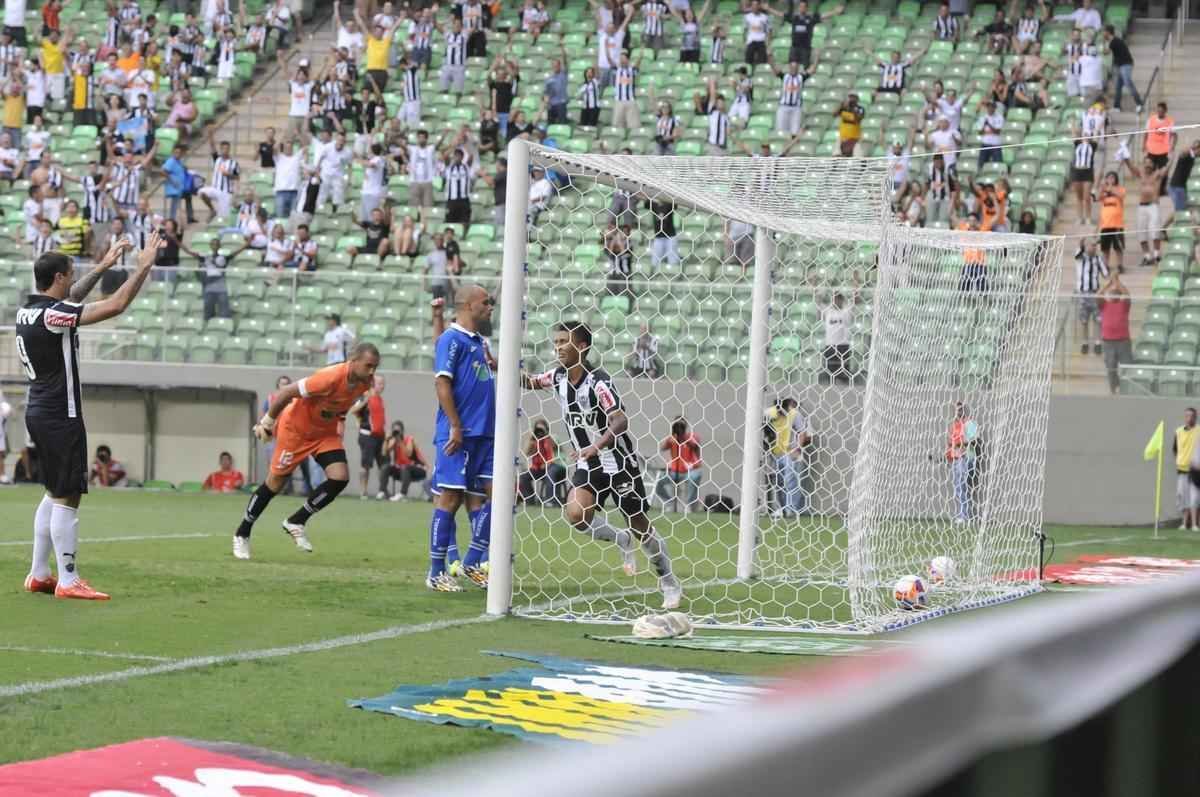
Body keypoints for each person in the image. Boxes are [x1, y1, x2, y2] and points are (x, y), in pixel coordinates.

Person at [19, 235, 158, 600]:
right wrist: (143, 266)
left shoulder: (28, 311)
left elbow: (71, 298)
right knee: (68, 496)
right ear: (61, 277)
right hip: (61, 414)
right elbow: (116, 305)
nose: (72, 279)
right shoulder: (53, 316)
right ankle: (68, 580)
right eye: (71, 274)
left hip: (37, 411)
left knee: (52, 492)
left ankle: (38, 573)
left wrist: (103, 265)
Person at [523, 321, 681, 609]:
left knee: (641, 526)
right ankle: (619, 538)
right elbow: (531, 381)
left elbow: (620, 420)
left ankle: (669, 581)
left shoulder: (599, 382)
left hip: (618, 462)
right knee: (576, 514)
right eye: (555, 342)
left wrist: (596, 445)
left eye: (563, 342)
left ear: (582, 346)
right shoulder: (557, 378)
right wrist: (497, 364)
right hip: (588, 464)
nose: (557, 347)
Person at [234, 343, 381, 560]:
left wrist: (340, 421)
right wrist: (267, 422)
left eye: (375, 367)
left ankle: (296, 520)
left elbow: (342, 404)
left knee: (340, 478)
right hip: (295, 432)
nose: (372, 372)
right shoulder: (329, 377)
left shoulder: (365, 382)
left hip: (324, 434)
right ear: (353, 360)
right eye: (369, 365)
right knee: (274, 484)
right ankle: (242, 533)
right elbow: (286, 393)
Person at [427, 284, 497, 591]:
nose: (491, 307)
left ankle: (472, 561)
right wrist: (455, 426)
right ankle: (435, 572)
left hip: (486, 434)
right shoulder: (451, 339)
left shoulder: (479, 342)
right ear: (468, 305)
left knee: (503, 494)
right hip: (460, 434)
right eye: (486, 302)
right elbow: (442, 384)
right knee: (451, 499)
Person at [764, 397, 810, 518]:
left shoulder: (795, 414)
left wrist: (797, 449)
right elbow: (763, 430)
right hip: (775, 453)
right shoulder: (769, 413)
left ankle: (791, 510)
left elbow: (802, 433)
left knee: (790, 481)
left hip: (791, 453)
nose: (781, 413)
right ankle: (783, 509)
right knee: (778, 483)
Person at [1125, 156, 1169, 266]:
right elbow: (1130, 166)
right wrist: (1126, 158)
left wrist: (1171, 154)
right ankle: (1147, 256)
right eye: (1146, 163)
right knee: (1141, 233)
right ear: (1143, 164)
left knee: (1155, 230)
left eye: (1150, 163)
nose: (1148, 165)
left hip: (1153, 205)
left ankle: (1157, 255)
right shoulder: (1140, 174)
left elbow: (1168, 166)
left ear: (1153, 165)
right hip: (1142, 206)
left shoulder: (1157, 174)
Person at [658, 417, 702, 513]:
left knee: (694, 477)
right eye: (677, 425)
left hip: (691, 470)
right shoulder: (672, 438)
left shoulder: (692, 436)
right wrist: (672, 436)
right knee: (659, 481)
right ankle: (669, 503)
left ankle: (689, 505)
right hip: (674, 471)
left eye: (681, 425)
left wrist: (683, 438)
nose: (679, 428)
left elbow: (694, 446)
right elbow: (662, 448)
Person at [1097, 272, 1131, 394]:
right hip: (1108, 342)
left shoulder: (1124, 304)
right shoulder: (1104, 304)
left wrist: (1117, 282)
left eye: (1116, 292)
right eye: (1112, 292)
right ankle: (1113, 389)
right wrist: (1108, 283)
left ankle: (1126, 388)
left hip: (1123, 341)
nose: (1113, 293)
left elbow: (1127, 295)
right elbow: (1098, 295)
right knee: (1111, 368)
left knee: (1127, 367)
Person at [353, 375, 387, 499]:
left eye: (383, 384)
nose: (382, 386)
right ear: (373, 383)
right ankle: (363, 491)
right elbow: (354, 410)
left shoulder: (380, 399)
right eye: (380, 383)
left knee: (383, 464)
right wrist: (365, 401)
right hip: (367, 436)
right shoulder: (365, 396)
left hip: (379, 436)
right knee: (365, 465)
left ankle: (382, 491)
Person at [519, 417, 567, 506]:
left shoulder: (553, 437)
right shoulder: (534, 440)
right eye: (538, 429)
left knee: (550, 472)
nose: (539, 431)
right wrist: (531, 437)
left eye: (542, 429)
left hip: (556, 466)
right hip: (540, 468)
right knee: (524, 476)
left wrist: (546, 435)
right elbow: (526, 453)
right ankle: (530, 500)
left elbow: (554, 446)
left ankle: (550, 501)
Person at [945, 401, 979, 524]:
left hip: (967, 457)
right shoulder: (955, 425)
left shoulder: (969, 423)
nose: (958, 412)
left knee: (962, 485)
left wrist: (961, 444)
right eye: (956, 409)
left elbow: (975, 441)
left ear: (964, 410)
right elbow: (952, 443)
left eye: (960, 409)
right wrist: (950, 453)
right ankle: (962, 515)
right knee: (958, 487)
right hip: (956, 458)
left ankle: (965, 516)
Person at [1074, 239, 1108, 355]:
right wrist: (1082, 245)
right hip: (1083, 293)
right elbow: (1078, 254)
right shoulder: (1080, 256)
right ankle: (1085, 342)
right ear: (1086, 246)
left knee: (1098, 319)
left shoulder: (1098, 259)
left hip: (1095, 292)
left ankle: (1098, 342)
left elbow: (1106, 274)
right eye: (1091, 245)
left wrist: (1102, 291)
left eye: (1095, 245)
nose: (1094, 247)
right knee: (1084, 320)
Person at [384, 421, 429, 501]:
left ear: (402, 431)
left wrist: (400, 442)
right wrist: (386, 440)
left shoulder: (409, 439)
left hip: (419, 468)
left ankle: (402, 494)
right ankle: (382, 491)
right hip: (402, 470)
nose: (396, 433)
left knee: (405, 468)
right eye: (395, 431)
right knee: (386, 467)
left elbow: (409, 454)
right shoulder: (393, 441)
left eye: (398, 431)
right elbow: (384, 453)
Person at [821, 290, 855, 384]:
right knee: (830, 374)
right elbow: (817, 300)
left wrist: (856, 284)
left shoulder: (846, 312)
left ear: (842, 300)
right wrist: (814, 286)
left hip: (843, 346)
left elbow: (856, 299)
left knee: (843, 373)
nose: (836, 301)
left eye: (838, 299)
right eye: (834, 299)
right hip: (830, 345)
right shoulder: (828, 312)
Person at [1174, 408, 1198, 531]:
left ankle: (1194, 524)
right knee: (1182, 496)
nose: (1189, 418)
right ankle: (1184, 523)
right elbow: (1175, 449)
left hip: (1195, 470)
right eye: (1187, 416)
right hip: (1182, 469)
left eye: (1191, 416)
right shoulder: (1178, 431)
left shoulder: (1199, 430)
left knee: (1194, 497)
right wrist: (1179, 460)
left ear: (1195, 417)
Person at [1097, 170, 1126, 274]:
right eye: (1108, 178)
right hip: (1105, 225)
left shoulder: (1120, 189)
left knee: (1118, 247)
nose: (1110, 180)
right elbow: (1097, 198)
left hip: (1117, 224)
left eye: (1112, 178)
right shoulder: (1104, 191)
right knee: (1105, 248)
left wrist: (1110, 188)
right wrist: (1102, 188)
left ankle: (1120, 265)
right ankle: (1105, 265)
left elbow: (1121, 196)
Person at [1167, 140, 1197, 225]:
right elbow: (1182, 152)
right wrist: (1192, 146)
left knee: (1188, 208)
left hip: (1182, 187)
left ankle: (1195, 229)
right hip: (1176, 187)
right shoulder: (1186, 155)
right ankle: (1165, 228)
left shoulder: (1193, 157)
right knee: (1179, 210)